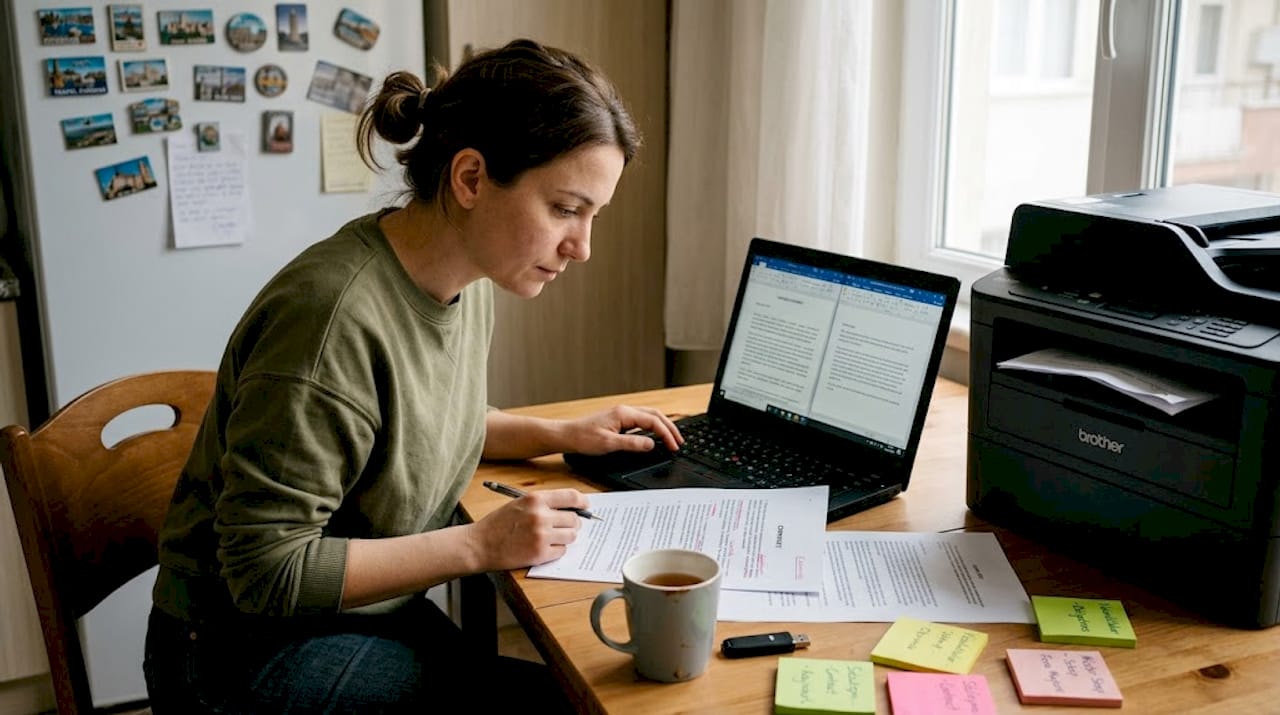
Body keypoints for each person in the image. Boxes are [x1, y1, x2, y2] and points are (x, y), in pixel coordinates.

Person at [143, 38, 683, 714]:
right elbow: (265, 570)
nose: (582, 246)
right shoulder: (331, 320)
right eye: (566, 209)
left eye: (592, 215)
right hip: (239, 650)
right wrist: (482, 542)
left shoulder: (467, 275)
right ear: (470, 179)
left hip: (355, 613)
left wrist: (563, 432)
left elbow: (417, 424)